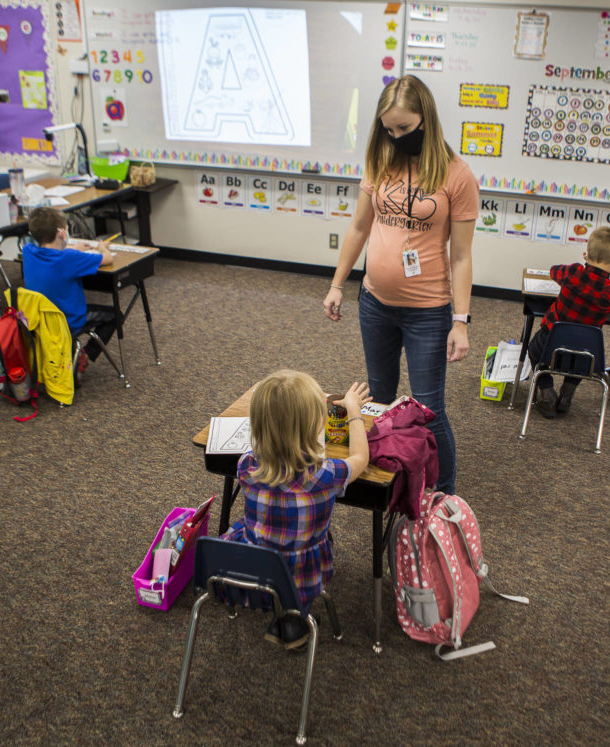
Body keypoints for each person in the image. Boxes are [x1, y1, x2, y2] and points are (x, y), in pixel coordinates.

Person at [322, 75, 478, 496]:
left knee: (430, 408)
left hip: (428, 310)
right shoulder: (380, 161)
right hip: (374, 302)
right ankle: (383, 477)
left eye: (404, 129)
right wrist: (338, 284)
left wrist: (459, 322)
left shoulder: (457, 175)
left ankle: (442, 494)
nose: (395, 136)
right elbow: (358, 227)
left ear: (425, 119)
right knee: (380, 397)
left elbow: (461, 256)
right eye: (388, 129)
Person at [222, 371, 372, 649]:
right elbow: (361, 458)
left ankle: (282, 613)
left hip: (250, 566)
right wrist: (353, 411)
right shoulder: (325, 475)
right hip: (304, 575)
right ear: (314, 427)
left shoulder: (246, 466)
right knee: (300, 557)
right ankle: (295, 614)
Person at [527, 226, 610, 419]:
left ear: (586, 254)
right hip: (586, 354)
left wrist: (582, 264)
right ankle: (567, 394)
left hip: (550, 344)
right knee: (578, 360)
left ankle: (546, 392)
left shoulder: (573, 272)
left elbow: (554, 271)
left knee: (533, 350)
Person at [22, 206, 117, 366]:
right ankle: (84, 358)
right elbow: (107, 259)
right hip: (68, 321)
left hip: (38, 322)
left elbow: (52, 252)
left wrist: (71, 248)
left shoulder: (28, 251)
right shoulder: (69, 258)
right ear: (61, 233)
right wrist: (102, 248)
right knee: (115, 315)